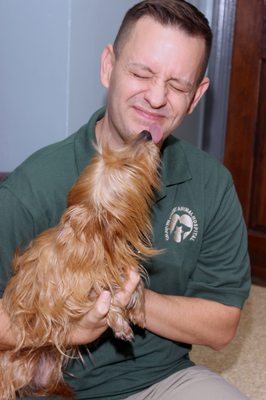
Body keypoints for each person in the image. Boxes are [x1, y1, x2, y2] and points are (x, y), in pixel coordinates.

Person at [0, 1, 251, 399]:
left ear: (197, 95)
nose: (155, 97)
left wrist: (134, 301)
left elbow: (221, 326)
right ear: (108, 66)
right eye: (141, 72)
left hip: (162, 381)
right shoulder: (33, 185)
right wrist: (69, 329)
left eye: (177, 85)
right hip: (43, 385)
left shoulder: (211, 184)